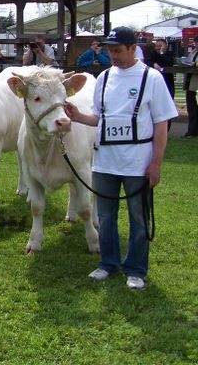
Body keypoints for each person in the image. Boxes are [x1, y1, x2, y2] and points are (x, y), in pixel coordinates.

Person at [64, 26, 178, 290]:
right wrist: (78, 116)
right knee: (105, 216)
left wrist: (156, 163)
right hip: (105, 161)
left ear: (132, 48)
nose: (113, 55)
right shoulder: (104, 78)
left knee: (138, 217)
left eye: (117, 50)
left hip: (137, 161)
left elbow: (162, 124)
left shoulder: (151, 78)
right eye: (109, 50)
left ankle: (136, 269)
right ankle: (108, 263)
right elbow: (99, 118)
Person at [183, 43, 198, 137]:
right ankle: (192, 131)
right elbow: (188, 61)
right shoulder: (194, 51)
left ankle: (192, 132)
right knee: (192, 108)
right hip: (190, 83)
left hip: (196, 84)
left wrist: (194, 64)